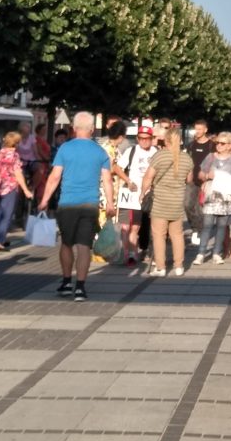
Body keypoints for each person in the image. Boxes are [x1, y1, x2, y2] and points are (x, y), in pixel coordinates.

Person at [38, 111, 115, 302]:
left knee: (66, 243)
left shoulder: (65, 148)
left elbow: (55, 176)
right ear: (91, 129)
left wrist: (44, 199)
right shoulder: (100, 152)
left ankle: (66, 282)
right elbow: (107, 181)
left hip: (67, 204)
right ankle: (80, 287)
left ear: (74, 129)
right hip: (90, 204)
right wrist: (111, 204)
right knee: (84, 246)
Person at [141, 129, 194, 276]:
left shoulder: (160, 156)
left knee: (159, 235)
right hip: (177, 201)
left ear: (166, 140)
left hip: (160, 201)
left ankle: (161, 267)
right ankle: (179, 266)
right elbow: (189, 180)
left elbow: (148, 177)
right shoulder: (187, 158)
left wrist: (142, 193)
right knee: (177, 235)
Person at [193, 132, 231, 265]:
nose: (219, 146)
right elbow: (200, 174)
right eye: (217, 143)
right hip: (212, 194)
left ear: (229, 146)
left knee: (222, 226)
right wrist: (207, 175)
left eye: (222, 143)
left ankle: (216, 253)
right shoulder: (210, 157)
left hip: (226, 196)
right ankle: (201, 253)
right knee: (207, 225)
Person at [0, 131, 34, 252]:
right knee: (7, 215)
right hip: (10, 188)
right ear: (16, 144)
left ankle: (0, 237)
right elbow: (18, 174)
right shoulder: (15, 156)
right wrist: (26, 190)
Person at [119, 126, 157, 266]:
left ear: (152, 139)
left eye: (147, 138)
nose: (144, 141)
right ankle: (131, 254)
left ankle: (148, 250)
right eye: (141, 138)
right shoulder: (131, 151)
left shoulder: (157, 152)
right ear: (137, 139)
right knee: (133, 226)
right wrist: (127, 180)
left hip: (151, 194)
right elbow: (116, 167)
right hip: (133, 194)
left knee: (150, 225)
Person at [186, 120, 214, 242]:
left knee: (202, 208)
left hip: (206, 181)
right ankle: (195, 227)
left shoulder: (211, 145)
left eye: (200, 129)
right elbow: (186, 161)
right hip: (191, 180)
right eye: (196, 129)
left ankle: (200, 231)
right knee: (187, 205)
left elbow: (215, 162)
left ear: (205, 130)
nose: (197, 131)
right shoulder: (191, 145)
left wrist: (209, 177)